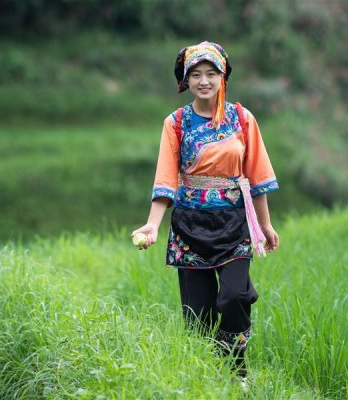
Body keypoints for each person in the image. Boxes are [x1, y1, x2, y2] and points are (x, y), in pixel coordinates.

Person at [131, 41, 279, 382]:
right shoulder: (176, 123)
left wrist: (266, 225)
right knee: (198, 317)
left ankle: (237, 371)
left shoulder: (242, 119)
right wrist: (152, 225)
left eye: (211, 73)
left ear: (223, 76)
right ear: (186, 79)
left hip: (234, 225)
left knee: (235, 296)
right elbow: (166, 180)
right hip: (190, 227)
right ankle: (207, 378)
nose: (204, 81)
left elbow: (257, 178)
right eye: (195, 74)